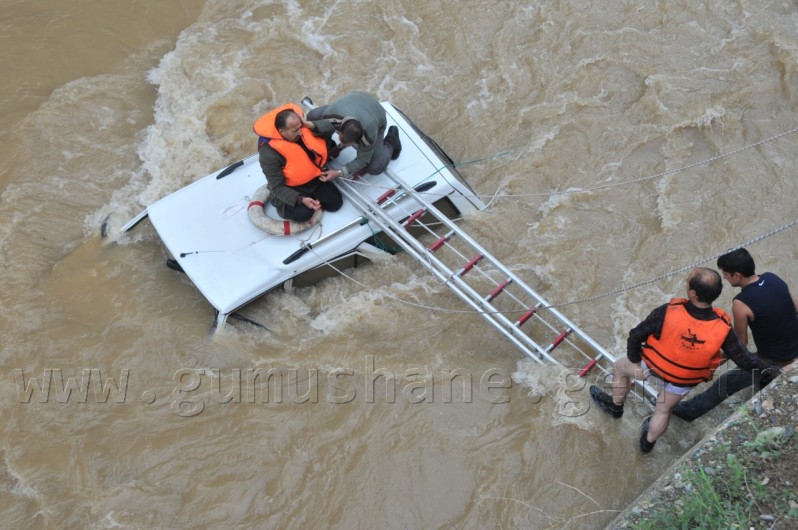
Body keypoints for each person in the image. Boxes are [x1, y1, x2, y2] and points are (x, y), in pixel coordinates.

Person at [590, 268, 778, 453]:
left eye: (687, 281)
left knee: (619, 367)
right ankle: (646, 445)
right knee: (663, 411)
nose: (685, 283)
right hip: (681, 383)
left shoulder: (667, 311)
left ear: (693, 293)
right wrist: (773, 371)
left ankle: (616, 408)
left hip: (651, 370)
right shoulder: (722, 328)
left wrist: (635, 360)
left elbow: (635, 335)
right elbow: (743, 358)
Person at [672, 248, 798, 422]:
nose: (723, 277)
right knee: (760, 380)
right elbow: (795, 307)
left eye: (725, 274)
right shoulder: (772, 278)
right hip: (794, 345)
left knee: (724, 384)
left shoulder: (741, 302)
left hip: (775, 360)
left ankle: (687, 411)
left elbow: (740, 345)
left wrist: (709, 361)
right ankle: (765, 386)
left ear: (737, 275)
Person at [254, 102, 342, 222]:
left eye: (300, 127)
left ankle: (312, 196)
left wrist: (311, 125)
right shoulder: (268, 154)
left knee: (335, 204)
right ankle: (284, 205)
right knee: (304, 214)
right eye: (295, 131)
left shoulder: (304, 128)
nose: (300, 133)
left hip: (313, 179)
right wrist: (300, 199)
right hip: (290, 187)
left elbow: (331, 127)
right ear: (282, 131)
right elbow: (277, 187)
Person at [304, 91, 401, 180]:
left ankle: (392, 139)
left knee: (375, 167)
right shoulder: (332, 115)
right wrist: (311, 124)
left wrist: (339, 172)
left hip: (376, 113)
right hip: (356, 99)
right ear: (340, 130)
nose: (341, 142)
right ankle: (326, 146)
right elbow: (325, 124)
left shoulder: (368, 136)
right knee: (313, 116)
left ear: (358, 141)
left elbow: (362, 160)